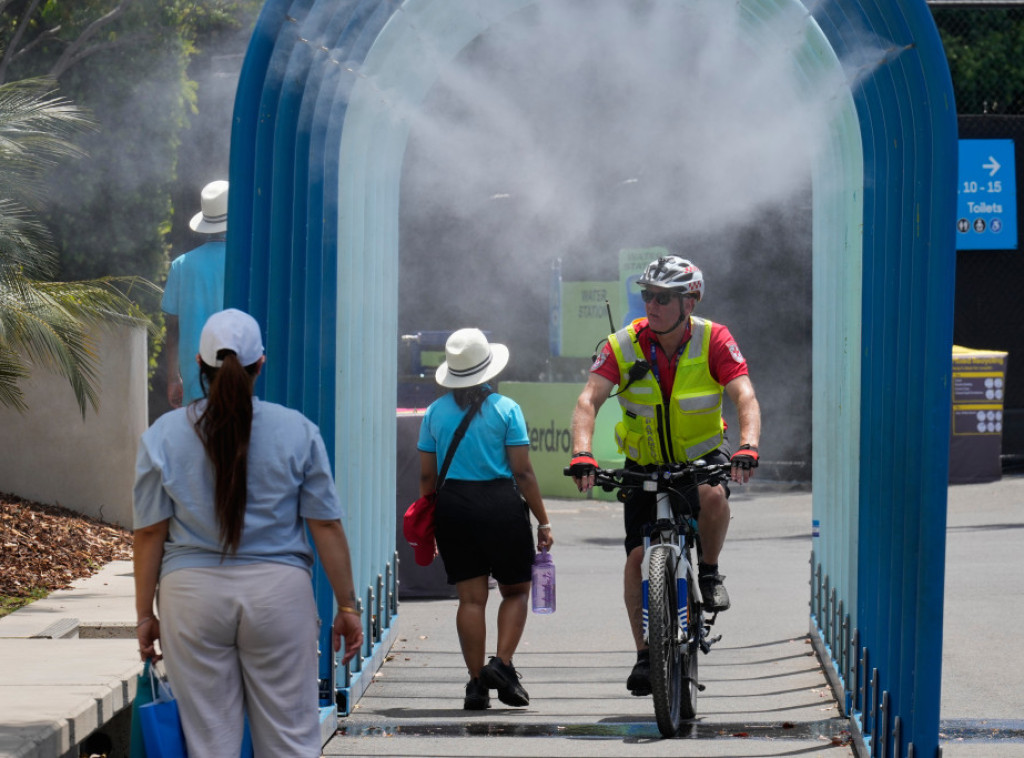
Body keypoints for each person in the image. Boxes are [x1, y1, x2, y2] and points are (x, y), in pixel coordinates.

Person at [133, 308, 363, 757]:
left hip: (191, 599)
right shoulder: (298, 431)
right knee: (289, 740)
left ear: (199, 366)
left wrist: (145, 615)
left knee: (209, 742)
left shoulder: (162, 436)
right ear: (261, 365)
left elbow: (149, 535)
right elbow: (326, 525)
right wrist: (348, 605)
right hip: (279, 596)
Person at [568, 254, 761, 697]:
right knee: (638, 560)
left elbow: (744, 396)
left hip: (701, 458)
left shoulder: (714, 339)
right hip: (645, 464)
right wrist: (582, 452)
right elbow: (587, 402)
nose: (651, 305)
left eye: (662, 298)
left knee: (714, 498)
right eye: (647, 295)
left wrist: (748, 445)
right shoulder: (621, 345)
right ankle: (644, 655)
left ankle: (708, 574)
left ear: (688, 302)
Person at [417, 328, 554, 710]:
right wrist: (543, 521)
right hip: (501, 505)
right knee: (515, 590)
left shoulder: (434, 412)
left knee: (471, 599)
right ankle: (503, 664)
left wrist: (433, 508)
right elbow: (523, 472)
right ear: (488, 370)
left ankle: (476, 684)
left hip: (453, 507)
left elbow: (427, 477)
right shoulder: (507, 409)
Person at [162, 179, 228, 408]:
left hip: (194, 385)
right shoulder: (246, 265)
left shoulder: (181, 266)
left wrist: (173, 378)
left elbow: (172, 330)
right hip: (239, 382)